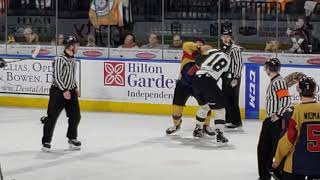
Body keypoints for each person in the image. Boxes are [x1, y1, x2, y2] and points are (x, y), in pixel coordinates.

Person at [272, 76, 320, 180]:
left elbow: (288, 139)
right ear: (314, 90)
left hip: (298, 164)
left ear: (299, 90)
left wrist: (277, 160)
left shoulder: (295, 111)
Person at [165, 39, 215, 137]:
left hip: (199, 85)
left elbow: (209, 49)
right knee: (176, 108)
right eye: (197, 43)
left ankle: (205, 126)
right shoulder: (187, 48)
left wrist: (204, 50)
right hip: (183, 84)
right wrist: (201, 48)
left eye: (201, 43)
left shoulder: (205, 57)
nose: (198, 44)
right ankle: (176, 125)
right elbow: (191, 45)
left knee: (206, 106)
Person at [41, 36, 81, 152]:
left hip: (71, 91)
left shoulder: (73, 58)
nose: (78, 47)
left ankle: (72, 138)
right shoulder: (59, 59)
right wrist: (64, 90)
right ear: (71, 46)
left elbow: (71, 75)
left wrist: (75, 87)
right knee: (52, 117)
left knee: (76, 116)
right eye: (76, 45)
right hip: (59, 91)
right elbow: (57, 77)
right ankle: (46, 141)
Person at [257, 58, 291, 180]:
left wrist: (277, 114)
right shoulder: (276, 81)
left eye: (266, 67)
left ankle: (269, 174)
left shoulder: (278, 82)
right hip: (271, 120)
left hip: (274, 121)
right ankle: (267, 174)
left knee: (267, 149)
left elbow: (286, 100)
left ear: (268, 69)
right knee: (266, 149)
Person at [191, 49, 231, 143]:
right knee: (220, 109)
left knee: (204, 107)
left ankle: (197, 130)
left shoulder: (211, 55)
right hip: (208, 81)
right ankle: (220, 134)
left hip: (196, 78)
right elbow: (225, 76)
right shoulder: (228, 59)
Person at [220, 25, 244, 129]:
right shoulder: (221, 48)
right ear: (221, 37)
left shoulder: (235, 49)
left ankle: (236, 121)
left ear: (230, 37)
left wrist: (236, 78)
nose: (225, 38)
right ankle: (228, 119)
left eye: (227, 36)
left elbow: (239, 64)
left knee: (233, 99)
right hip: (225, 76)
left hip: (234, 76)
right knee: (226, 98)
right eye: (224, 36)